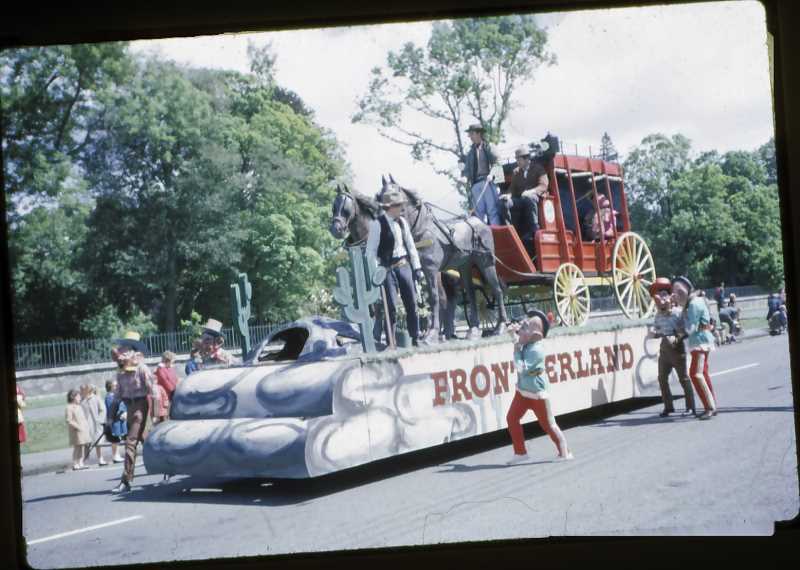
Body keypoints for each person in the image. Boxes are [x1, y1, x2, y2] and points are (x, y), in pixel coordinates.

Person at [505, 309, 573, 464]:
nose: (520, 329)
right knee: (512, 418)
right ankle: (520, 453)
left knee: (548, 425)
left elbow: (521, 368)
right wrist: (513, 336)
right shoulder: (528, 343)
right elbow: (520, 344)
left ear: (536, 335)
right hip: (523, 392)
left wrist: (515, 348)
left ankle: (565, 452)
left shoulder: (536, 350)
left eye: (525, 327)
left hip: (537, 394)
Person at [365, 189, 424, 347]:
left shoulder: (402, 222)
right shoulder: (377, 224)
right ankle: (391, 342)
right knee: (390, 306)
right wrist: (376, 273)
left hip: (404, 265)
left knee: (411, 302)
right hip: (387, 269)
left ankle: (415, 337)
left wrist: (417, 268)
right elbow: (370, 252)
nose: (401, 208)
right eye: (398, 205)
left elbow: (410, 246)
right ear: (389, 207)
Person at [111, 330, 156, 493]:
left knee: (130, 443)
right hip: (129, 407)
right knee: (148, 442)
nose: (120, 354)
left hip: (140, 406)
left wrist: (155, 415)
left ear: (133, 352)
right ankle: (169, 465)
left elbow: (153, 392)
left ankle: (126, 480)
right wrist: (110, 416)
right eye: (120, 350)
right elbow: (117, 396)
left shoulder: (142, 369)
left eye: (124, 350)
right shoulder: (121, 372)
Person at [648, 278, 695, 417]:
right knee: (662, 378)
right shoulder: (658, 315)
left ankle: (690, 407)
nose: (660, 301)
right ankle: (668, 407)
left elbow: (686, 329)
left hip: (676, 348)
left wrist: (677, 337)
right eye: (659, 297)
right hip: (664, 349)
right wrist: (654, 333)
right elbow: (657, 328)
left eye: (664, 296)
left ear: (670, 298)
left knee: (683, 378)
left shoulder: (678, 313)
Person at [672, 276, 717, 420]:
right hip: (700, 341)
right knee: (702, 373)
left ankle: (710, 407)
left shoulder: (693, 304)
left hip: (700, 342)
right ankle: (711, 405)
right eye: (675, 292)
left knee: (696, 374)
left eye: (679, 292)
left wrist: (679, 333)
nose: (677, 296)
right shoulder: (693, 302)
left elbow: (691, 328)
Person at [499, 145, 549, 259]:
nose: (517, 161)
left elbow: (543, 185)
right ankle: (510, 229)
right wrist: (508, 195)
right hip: (521, 199)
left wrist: (531, 191)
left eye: (519, 159)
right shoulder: (516, 172)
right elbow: (512, 189)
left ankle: (534, 228)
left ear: (526, 159)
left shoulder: (538, 168)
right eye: (516, 159)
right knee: (504, 203)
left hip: (535, 197)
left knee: (528, 198)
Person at [461, 123, 501, 225]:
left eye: (472, 134)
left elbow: (497, 162)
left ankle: (496, 232)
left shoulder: (489, 146)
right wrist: (465, 177)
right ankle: (482, 234)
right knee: (478, 214)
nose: (470, 136)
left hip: (488, 183)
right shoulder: (471, 152)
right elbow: (467, 169)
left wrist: (492, 174)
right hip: (475, 185)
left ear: (479, 134)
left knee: (492, 211)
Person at [80, 384, 107, 465]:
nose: (82, 391)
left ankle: (100, 459)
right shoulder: (82, 401)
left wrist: (100, 420)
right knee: (85, 442)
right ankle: (82, 460)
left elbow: (103, 410)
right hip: (86, 424)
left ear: (89, 390)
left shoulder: (96, 398)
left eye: (84, 389)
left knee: (98, 442)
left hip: (96, 424)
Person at [65, 388, 91, 471]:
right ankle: (75, 463)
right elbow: (69, 420)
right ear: (73, 397)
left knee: (82, 446)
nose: (80, 398)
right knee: (77, 447)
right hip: (76, 431)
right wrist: (78, 427)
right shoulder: (69, 407)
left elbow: (83, 418)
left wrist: (86, 427)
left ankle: (81, 462)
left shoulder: (79, 406)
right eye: (78, 396)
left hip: (83, 430)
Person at [103, 380, 126, 463]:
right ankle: (115, 455)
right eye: (115, 385)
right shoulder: (109, 397)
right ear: (110, 387)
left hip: (119, 418)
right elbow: (112, 409)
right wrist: (120, 413)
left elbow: (122, 405)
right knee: (114, 438)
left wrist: (124, 412)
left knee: (118, 437)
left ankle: (117, 454)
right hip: (114, 419)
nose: (117, 387)